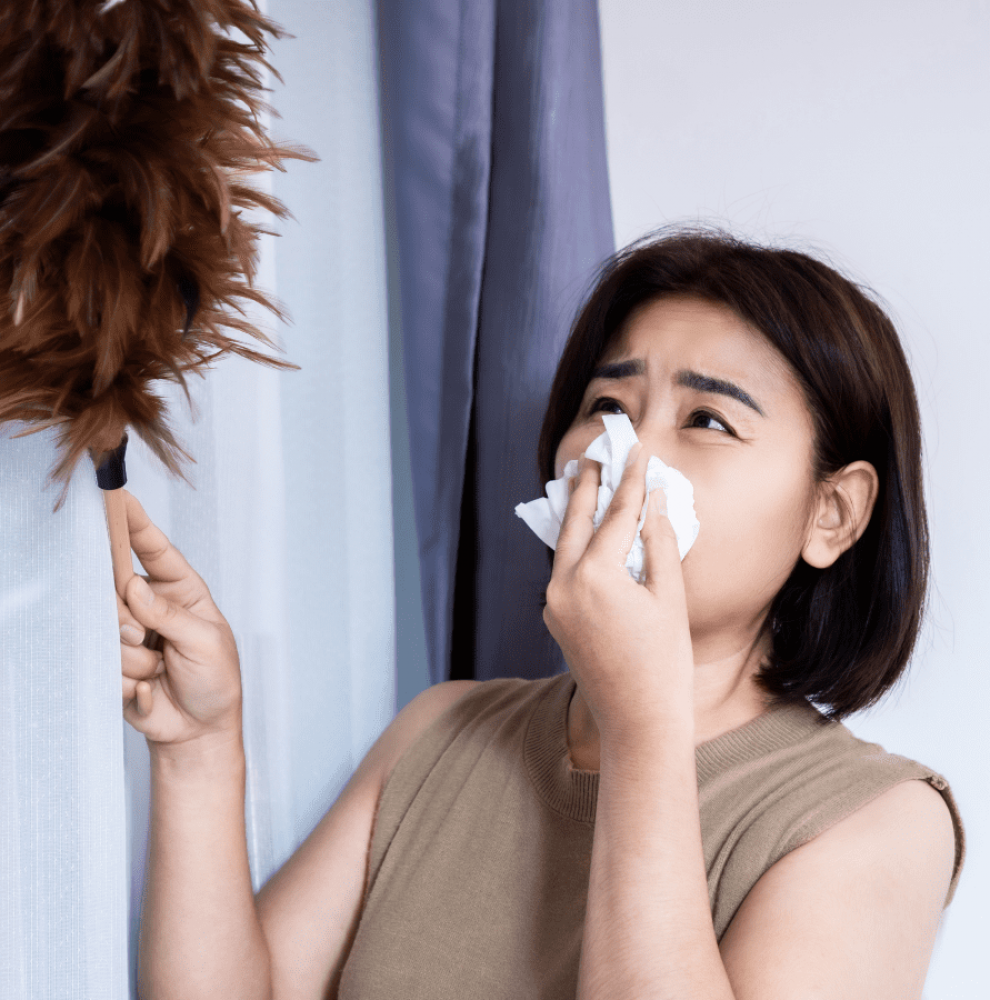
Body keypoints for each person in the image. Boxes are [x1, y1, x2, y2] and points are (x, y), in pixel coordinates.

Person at [119, 229, 965, 1000]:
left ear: (834, 515)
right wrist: (198, 747)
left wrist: (641, 730)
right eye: (607, 407)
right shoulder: (442, 730)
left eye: (707, 419)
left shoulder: (878, 820)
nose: (624, 453)